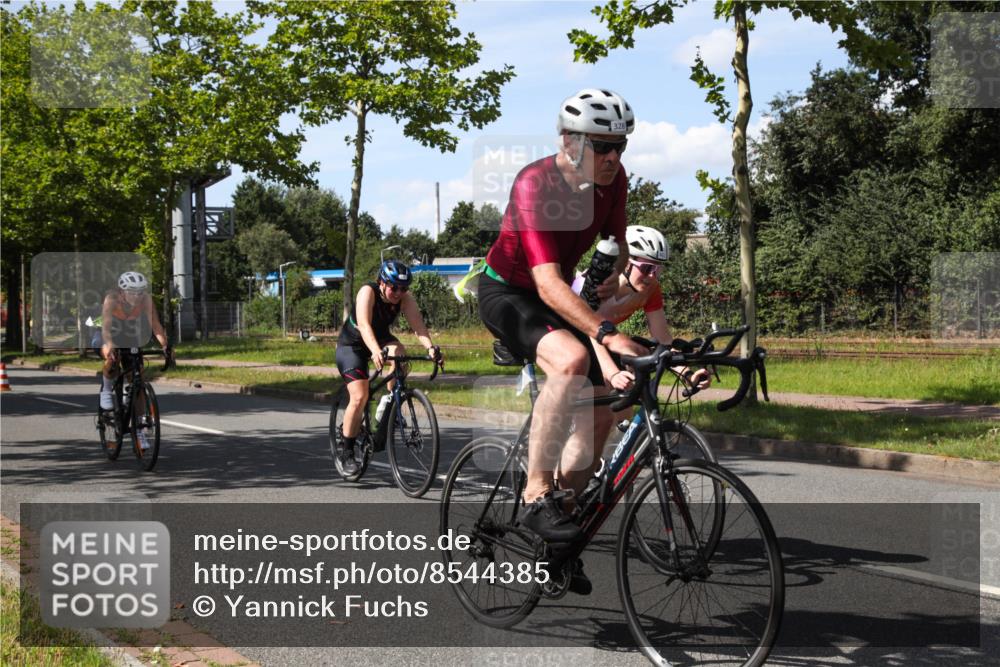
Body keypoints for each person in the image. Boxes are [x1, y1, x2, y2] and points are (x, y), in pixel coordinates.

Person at [477, 88, 647, 552]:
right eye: (603, 146)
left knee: (602, 407)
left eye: (621, 146)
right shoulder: (534, 182)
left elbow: (617, 244)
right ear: (570, 142)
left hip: (554, 298)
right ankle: (535, 492)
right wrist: (605, 332)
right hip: (509, 292)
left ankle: (560, 533)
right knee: (571, 359)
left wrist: (615, 276)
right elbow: (549, 284)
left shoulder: (614, 180)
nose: (613, 157)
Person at [335, 260, 443, 474]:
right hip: (353, 345)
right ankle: (346, 451)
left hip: (382, 339)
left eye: (404, 288)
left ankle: (390, 401)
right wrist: (375, 351)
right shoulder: (368, 291)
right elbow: (364, 325)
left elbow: (418, 327)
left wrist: (431, 348)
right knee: (359, 396)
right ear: (382, 283)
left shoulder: (405, 298)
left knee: (400, 354)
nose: (399, 292)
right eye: (394, 287)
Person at [580, 225, 713, 393]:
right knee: (604, 409)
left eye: (658, 269)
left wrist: (687, 374)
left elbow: (664, 342)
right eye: (647, 268)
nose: (652, 276)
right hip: (571, 334)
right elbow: (591, 331)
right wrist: (612, 373)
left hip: (602, 339)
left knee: (626, 407)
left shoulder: (650, 290)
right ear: (625, 263)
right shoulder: (598, 285)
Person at [98, 271, 170, 411]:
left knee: (138, 378)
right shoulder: (111, 300)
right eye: (132, 292)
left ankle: (140, 427)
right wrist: (112, 346)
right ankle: (106, 391)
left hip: (128, 334)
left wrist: (165, 345)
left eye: (140, 292)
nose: (137, 296)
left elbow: (155, 325)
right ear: (122, 291)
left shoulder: (146, 300)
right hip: (108, 333)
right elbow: (105, 330)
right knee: (112, 358)